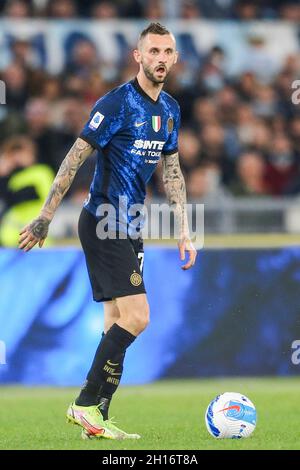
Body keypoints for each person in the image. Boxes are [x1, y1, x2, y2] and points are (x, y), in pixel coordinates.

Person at [19, 22, 197, 440]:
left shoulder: (170, 109)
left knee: (115, 321)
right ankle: (84, 403)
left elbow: (171, 171)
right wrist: (46, 214)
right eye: (152, 51)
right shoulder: (117, 103)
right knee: (138, 317)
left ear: (174, 58)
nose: (160, 59)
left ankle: (95, 419)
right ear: (138, 55)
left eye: (167, 52)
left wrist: (185, 232)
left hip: (130, 224)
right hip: (103, 220)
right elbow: (75, 157)